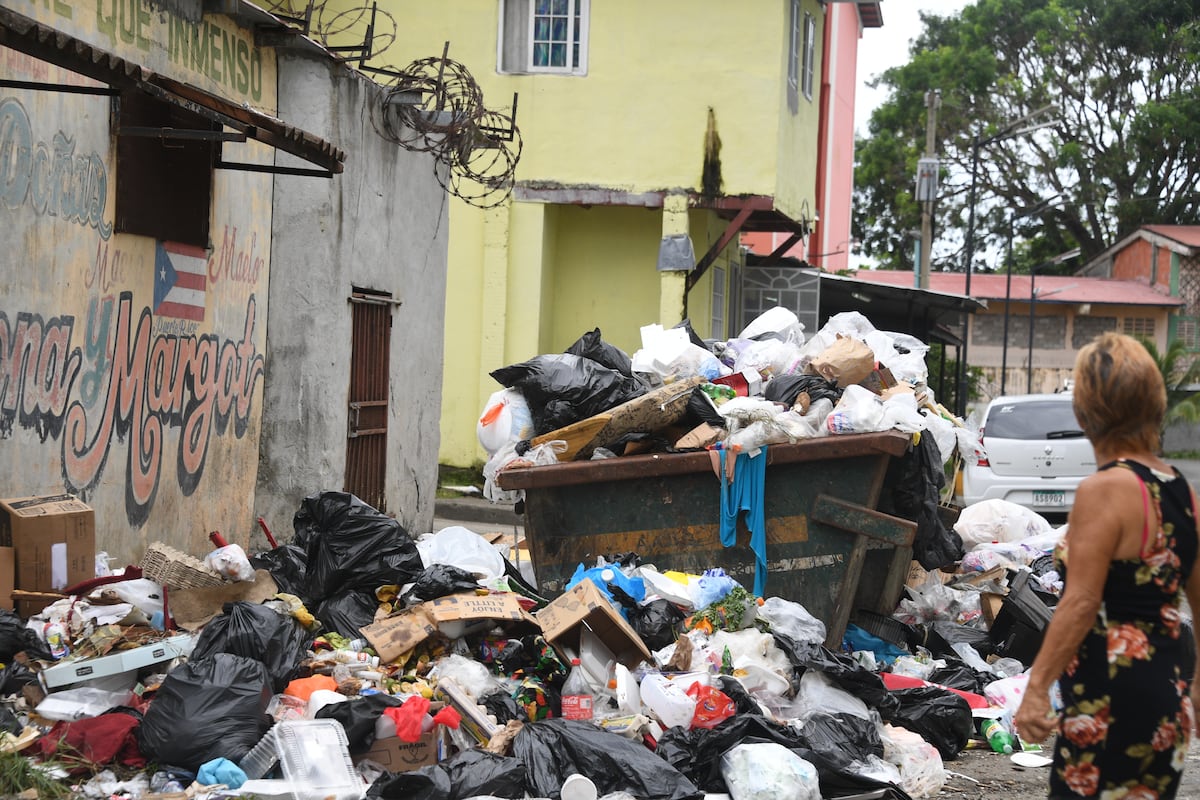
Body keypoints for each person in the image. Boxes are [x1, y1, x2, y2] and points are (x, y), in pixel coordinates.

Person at [1014, 332, 1200, 798]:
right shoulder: (1181, 490)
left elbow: (1080, 601)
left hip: (1112, 701)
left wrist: (1036, 689)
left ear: (1085, 409)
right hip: (1167, 700)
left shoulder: (1105, 488)